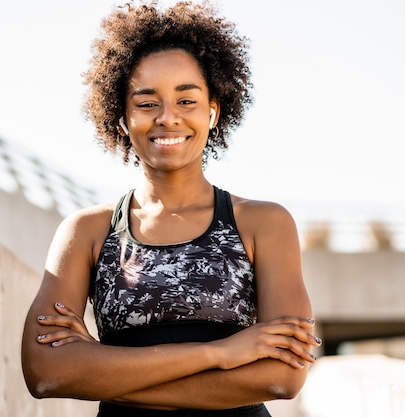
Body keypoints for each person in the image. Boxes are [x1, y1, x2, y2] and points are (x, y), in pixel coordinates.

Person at [21, 1, 321, 416]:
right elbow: (46, 373)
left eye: (186, 100)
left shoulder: (264, 223)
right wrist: (221, 352)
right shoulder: (88, 231)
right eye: (146, 103)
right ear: (123, 120)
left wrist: (101, 370)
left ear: (212, 112)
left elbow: (281, 377)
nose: (167, 118)